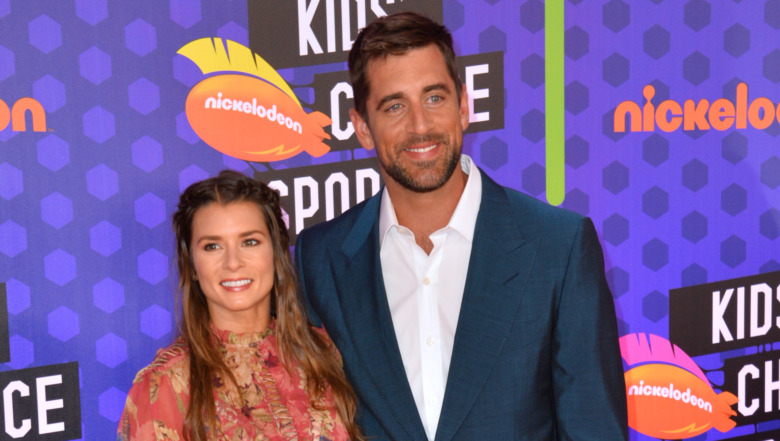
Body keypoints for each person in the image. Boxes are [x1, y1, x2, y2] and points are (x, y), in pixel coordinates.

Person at [294, 11, 628, 441]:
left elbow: (593, 430)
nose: (420, 126)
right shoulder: (320, 259)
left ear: (464, 106)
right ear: (362, 127)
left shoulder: (557, 246)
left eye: (434, 98)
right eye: (395, 106)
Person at [117, 170, 364, 441]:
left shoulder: (323, 353)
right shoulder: (166, 383)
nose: (233, 263)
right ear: (192, 266)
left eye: (250, 242)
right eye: (213, 246)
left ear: (277, 254)